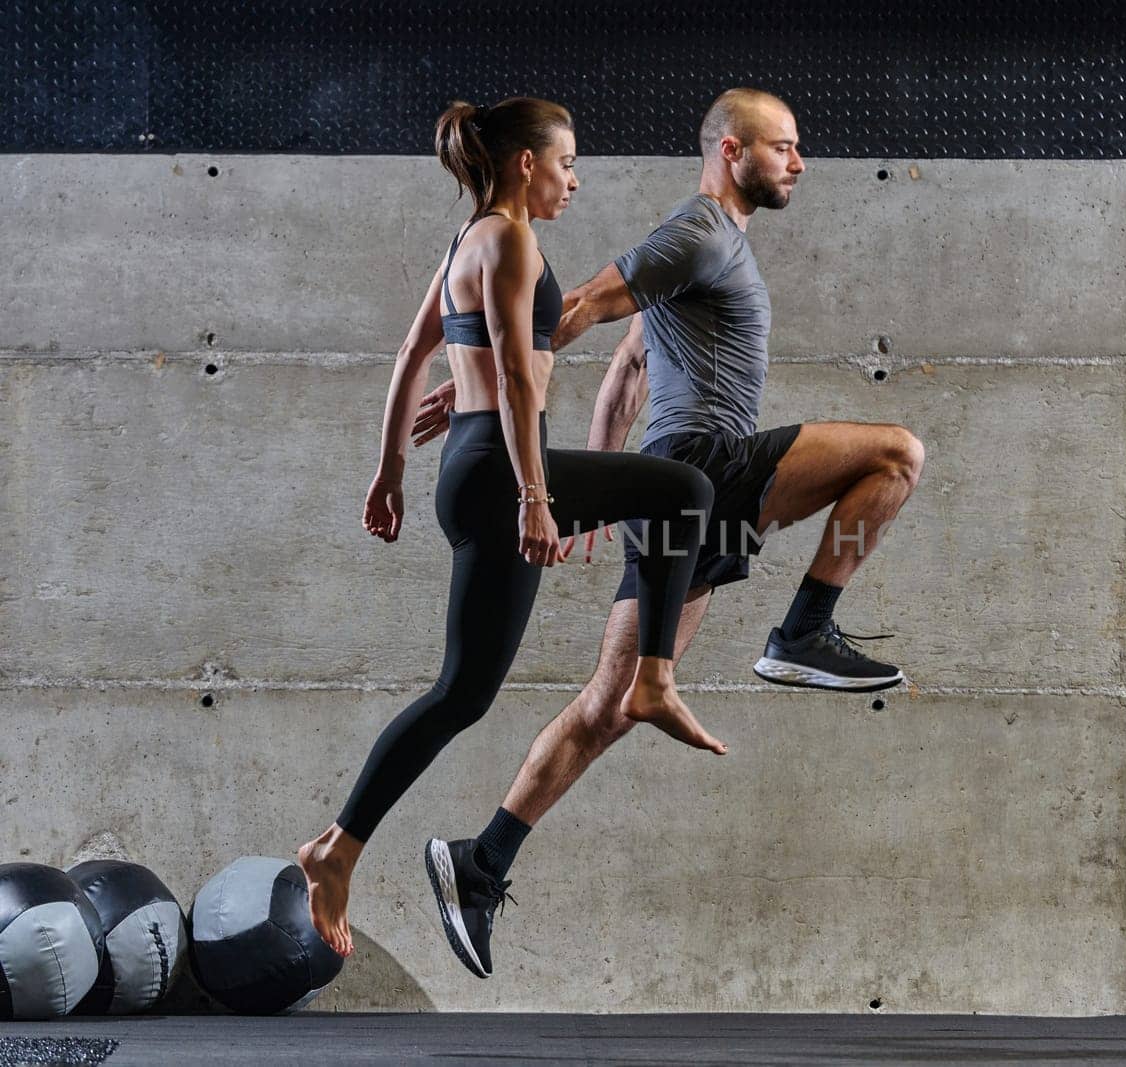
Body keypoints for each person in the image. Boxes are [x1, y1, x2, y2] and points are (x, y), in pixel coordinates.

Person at [415, 88, 925, 978]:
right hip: (707, 465)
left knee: (611, 706)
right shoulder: (701, 231)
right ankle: (805, 627)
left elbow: (625, 369)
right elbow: (582, 304)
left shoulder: (706, 259)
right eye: (784, 147)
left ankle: (482, 859)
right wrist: (484, 384)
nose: (799, 162)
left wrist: (603, 477)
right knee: (896, 454)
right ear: (733, 151)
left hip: (676, 494)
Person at [295, 96, 720, 967]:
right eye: (567, 161)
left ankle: (338, 847)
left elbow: (414, 357)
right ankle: (651, 678)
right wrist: (536, 494)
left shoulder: (464, 242)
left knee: (462, 692)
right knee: (685, 488)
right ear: (527, 163)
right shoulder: (515, 241)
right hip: (499, 466)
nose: (575, 177)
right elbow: (521, 382)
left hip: (467, 464)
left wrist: (391, 470)